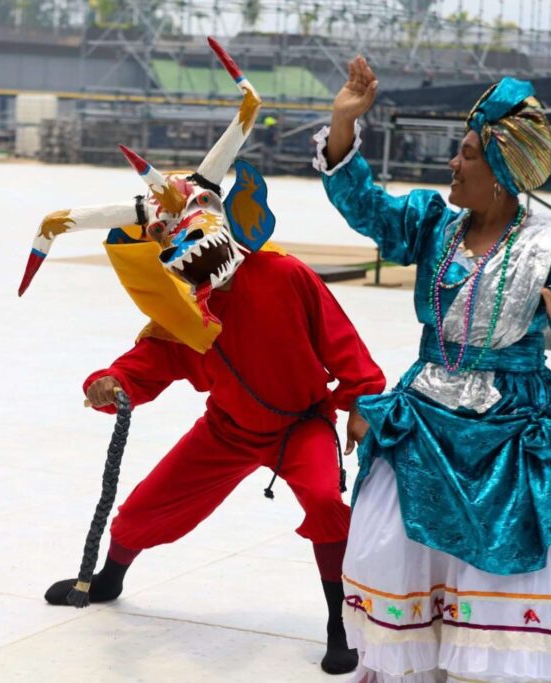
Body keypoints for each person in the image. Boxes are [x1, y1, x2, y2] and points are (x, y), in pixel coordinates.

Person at [20, 38, 385, 676]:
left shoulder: (286, 275)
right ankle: (110, 576)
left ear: (222, 212)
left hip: (301, 425)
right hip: (228, 429)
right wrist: (110, 382)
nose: (183, 230)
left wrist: (359, 403)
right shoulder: (184, 310)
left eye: (193, 214)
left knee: (327, 503)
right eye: (167, 229)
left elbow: (346, 348)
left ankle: (338, 622)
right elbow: (148, 364)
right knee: (143, 507)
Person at [312, 56, 551, 682]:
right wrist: (344, 122)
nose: (453, 164)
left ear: (504, 173)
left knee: (500, 585)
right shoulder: (433, 226)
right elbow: (365, 205)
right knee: (398, 559)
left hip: (513, 434)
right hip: (424, 420)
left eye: (468, 154)